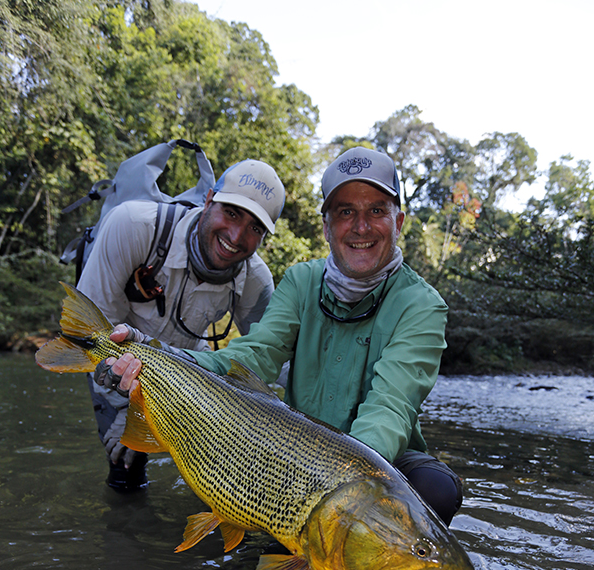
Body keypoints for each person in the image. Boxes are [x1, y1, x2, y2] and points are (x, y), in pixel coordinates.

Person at [96, 147, 463, 524]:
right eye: (345, 212)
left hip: (376, 460)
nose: (361, 226)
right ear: (326, 226)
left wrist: (346, 487)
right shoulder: (301, 281)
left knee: (436, 489)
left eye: (376, 211)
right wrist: (152, 356)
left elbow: (391, 407)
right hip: (289, 449)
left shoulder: (422, 305)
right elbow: (252, 357)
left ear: (398, 221)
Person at [79, 158, 285, 491]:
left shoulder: (256, 282)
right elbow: (91, 333)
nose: (236, 236)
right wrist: (128, 412)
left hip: (191, 373)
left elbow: (274, 356)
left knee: (221, 483)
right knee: (127, 473)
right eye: (231, 213)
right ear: (208, 201)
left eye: (255, 228)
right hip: (114, 366)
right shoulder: (132, 226)